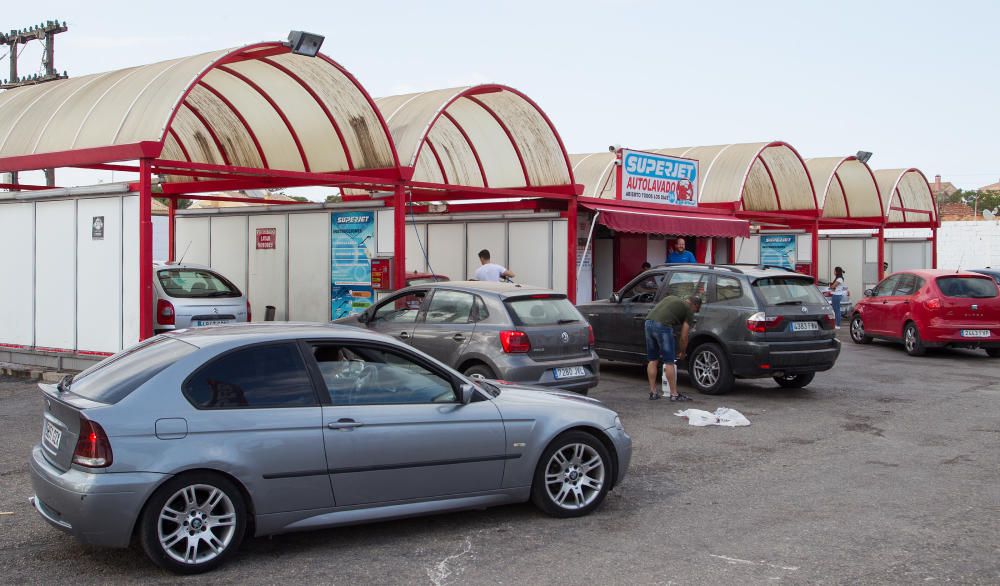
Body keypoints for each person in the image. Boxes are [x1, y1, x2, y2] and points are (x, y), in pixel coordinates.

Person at [644, 295, 701, 401]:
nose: (695, 312)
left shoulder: (671, 298)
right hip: (663, 326)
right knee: (669, 361)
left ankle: (653, 392)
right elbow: (684, 336)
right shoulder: (689, 310)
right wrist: (682, 352)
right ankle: (674, 394)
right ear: (695, 305)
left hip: (648, 323)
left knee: (653, 360)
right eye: (696, 310)